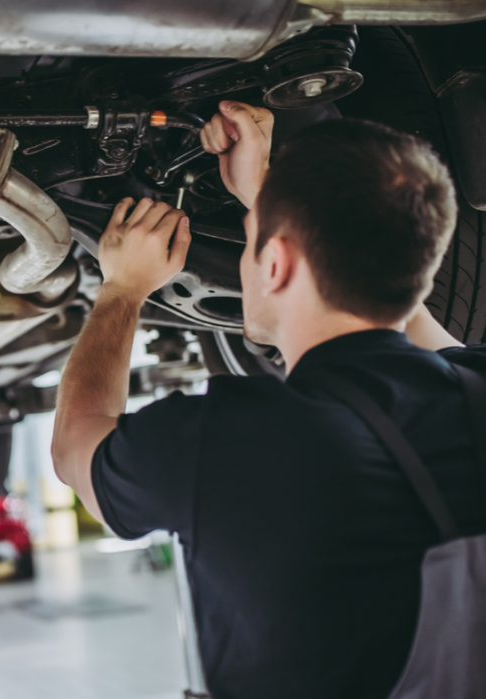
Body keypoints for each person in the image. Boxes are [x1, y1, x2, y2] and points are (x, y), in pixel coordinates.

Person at [52, 101, 486, 698]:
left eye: (251, 243)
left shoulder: (227, 441)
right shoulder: (474, 385)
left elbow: (75, 445)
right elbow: (418, 321)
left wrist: (122, 289)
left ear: (276, 262)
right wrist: (268, 197)